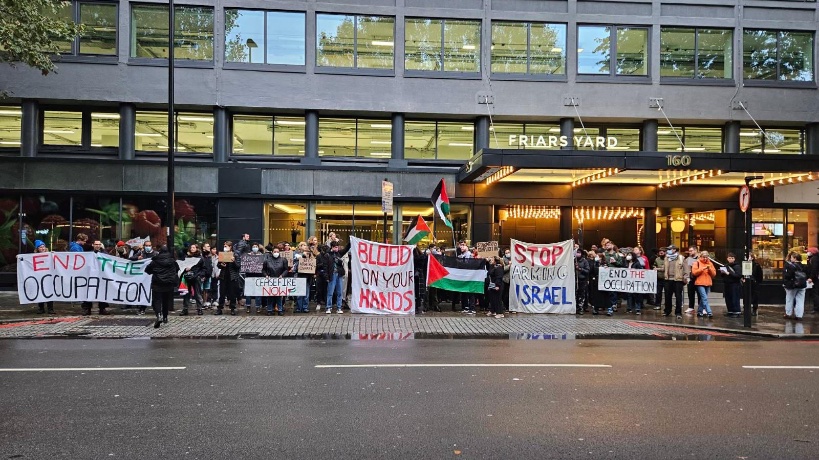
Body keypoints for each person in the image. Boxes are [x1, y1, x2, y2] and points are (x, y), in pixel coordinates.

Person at [144, 245, 179, 328]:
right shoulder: (172, 261)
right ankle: (165, 316)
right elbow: (177, 269)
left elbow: (147, 270)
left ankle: (158, 315)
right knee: (165, 301)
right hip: (168, 284)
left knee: (157, 300)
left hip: (157, 283)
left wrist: (154, 271)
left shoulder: (155, 261)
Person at [78, 240, 110, 316]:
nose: (97, 246)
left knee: (101, 292)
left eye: (99, 244)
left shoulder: (104, 253)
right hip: (90, 275)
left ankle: (102, 308)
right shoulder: (89, 253)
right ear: (93, 245)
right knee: (88, 291)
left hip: (101, 275)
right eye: (96, 244)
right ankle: (87, 309)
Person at [662, 245, 689, 319]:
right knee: (667, 296)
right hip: (668, 279)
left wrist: (685, 276)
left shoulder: (681, 258)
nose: (668, 250)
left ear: (674, 250)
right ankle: (667, 311)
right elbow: (664, 268)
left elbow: (686, 268)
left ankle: (678, 312)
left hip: (678, 280)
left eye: (669, 249)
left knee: (678, 296)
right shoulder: (666, 258)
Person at [217, 240, 241, 315]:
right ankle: (220, 308)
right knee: (222, 293)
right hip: (223, 276)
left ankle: (232, 308)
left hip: (232, 277)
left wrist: (233, 261)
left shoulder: (235, 254)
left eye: (226, 246)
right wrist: (221, 265)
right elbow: (218, 265)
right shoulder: (222, 254)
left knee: (232, 293)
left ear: (230, 247)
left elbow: (238, 266)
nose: (224, 248)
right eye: (224, 246)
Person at [180, 243, 206, 316]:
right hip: (187, 277)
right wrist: (185, 269)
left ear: (197, 248)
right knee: (186, 294)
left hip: (196, 277)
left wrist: (199, 275)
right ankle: (185, 309)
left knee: (198, 293)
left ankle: (199, 309)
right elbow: (182, 266)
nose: (192, 249)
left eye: (194, 247)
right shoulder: (187, 257)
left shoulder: (200, 258)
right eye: (191, 247)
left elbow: (204, 269)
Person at [325, 241, 349, 314]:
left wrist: (350, 242)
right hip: (332, 275)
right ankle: (329, 307)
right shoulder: (328, 255)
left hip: (339, 274)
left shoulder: (339, 253)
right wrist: (327, 277)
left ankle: (339, 307)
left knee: (339, 292)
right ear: (332, 247)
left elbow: (346, 249)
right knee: (330, 292)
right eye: (335, 247)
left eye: (337, 247)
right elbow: (325, 267)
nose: (337, 248)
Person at [263, 246, 288, 315]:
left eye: (277, 252)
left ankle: (280, 309)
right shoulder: (267, 260)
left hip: (279, 280)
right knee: (270, 295)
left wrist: (282, 275)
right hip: (270, 280)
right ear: (272, 252)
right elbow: (263, 270)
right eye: (275, 252)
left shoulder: (283, 260)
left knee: (279, 296)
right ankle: (269, 309)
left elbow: (286, 269)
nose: (276, 253)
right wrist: (266, 275)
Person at [691, 250, 717, 318]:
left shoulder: (710, 263)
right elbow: (694, 272)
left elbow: (714, 274)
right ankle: (709, 311)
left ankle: (699, 311)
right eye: (703, 257)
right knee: (704, 297)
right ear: (700, 256)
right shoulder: (697, 262)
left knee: (703, 298)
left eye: (706, 257)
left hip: (708, 282)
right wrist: (702, 269)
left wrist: (710, 269)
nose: (705, 258)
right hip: (700, 283)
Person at [601, 239, 623, 316]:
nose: (607, 246)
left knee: (613, 291)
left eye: (609, 245)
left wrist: (615, 262)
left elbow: (621, 264)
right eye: (606, 245)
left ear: (613, 246)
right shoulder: (603, 254)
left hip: (614, 275)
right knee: (606, 291)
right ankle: (607, 305)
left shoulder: (617, 255)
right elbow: (601, 263)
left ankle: (614, 305)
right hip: (606, 275)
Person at [783, 252, 808, 320]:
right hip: (802, 285)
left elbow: (787, 276)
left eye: (791, 258)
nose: (790, 259)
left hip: (792, 285)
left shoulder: (790, 266)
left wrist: (785, 283)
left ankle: (788, 314)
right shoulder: (804, 266)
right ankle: (799, 315)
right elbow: (807, 274)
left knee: (789, 299)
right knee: (800, 300)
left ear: (795, 258)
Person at [33, 240, 55, 315]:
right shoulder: (34, 256)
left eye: (43, 247)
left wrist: (53, 255)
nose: (42, 248)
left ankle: (50, 309)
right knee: (40, 292)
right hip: (39, 277)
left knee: (49, 292)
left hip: (48, 277)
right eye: (40, 247)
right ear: (37, 249)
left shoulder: (49, 255)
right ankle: (41, 308)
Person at [291, 242, 313, 313]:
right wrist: (303, 256)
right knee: (299, 293)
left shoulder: (310, 254)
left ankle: (305, 307)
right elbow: (295, 261)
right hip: (299, 275)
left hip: (307, 276)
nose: (304, 246)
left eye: (305, 245)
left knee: (306, 293)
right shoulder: (296, 254)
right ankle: (298, 307)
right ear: (299, 247)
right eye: (302, 245)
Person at [719, 253, 743, 317]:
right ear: (727, 259)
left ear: (734, 259)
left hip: (735, 284)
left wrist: (729, 273)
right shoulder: (725, 266)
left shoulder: (737, 266)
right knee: (728, 298)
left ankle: (736, 312)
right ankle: (730, 311)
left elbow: (738, 275)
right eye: (729, 258)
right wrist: (722, 273)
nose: (731, 259)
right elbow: (722, 276)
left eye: (732, 258)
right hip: (727, 284)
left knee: (734, 298)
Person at [624, 248, 644, 314]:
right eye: (628, 255)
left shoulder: (637, 263)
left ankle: (638, 309)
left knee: (636, 295)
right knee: (629, 295)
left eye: (630, 255)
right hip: (628, 281)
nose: (628, 256)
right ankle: (629, 308)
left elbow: (640, 271)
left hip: (635, 282)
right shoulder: (626, 263)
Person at [684, 246, 700, 314]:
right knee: (690, 293)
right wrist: (686, 277)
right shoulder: (688, 259)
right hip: (690, 278)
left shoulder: (700, 258)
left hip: (699, 278)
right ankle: (691, 307)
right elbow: (685, 269)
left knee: (700, 294)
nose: (690, 252)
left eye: (691, 251)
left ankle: (701, 307)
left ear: (696, 250)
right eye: (689, 251)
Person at [574, 248, 589, 315]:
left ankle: (581, 308)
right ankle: (576, 307)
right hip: (574, 280)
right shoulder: (573, 261)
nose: (578, 253)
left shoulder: (584, 261)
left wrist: (580, 269)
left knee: (581, 294)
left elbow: (587, 270)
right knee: (575, 294)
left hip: (582, 280)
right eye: (577, 252)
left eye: (579, 252)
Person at [199, 243, 213, 309]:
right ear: (203, 248)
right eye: (207, 246)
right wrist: (202, 275)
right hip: (202, 275)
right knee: (201, 290)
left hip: (208, 275)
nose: (209, 247)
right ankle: (200, 303)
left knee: (206, 289)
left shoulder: (209, 256)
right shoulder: (201, 256)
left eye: (209, 246)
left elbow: (210, 266)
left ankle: (205, 302)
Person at [807, 247, 819, 313]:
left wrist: (811, 277)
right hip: (816, 277)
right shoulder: (814, 258)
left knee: (815, 293)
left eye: (809, 251)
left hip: (815, 278)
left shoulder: (814, 259)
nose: (807, 252)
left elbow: (814, 269)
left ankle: (816, 308)